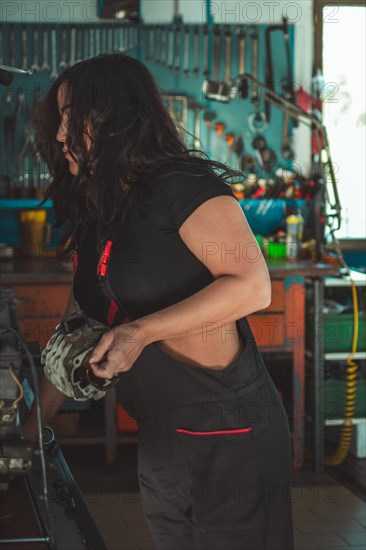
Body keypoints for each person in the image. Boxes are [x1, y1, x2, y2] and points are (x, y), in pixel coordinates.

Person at [26, 53, 294, 550]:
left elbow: (253, 285)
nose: (60, 136)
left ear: (115, 116)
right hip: (161, 432)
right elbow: (77, 324)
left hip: (228, 430)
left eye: (71, 116)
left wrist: (141, 331)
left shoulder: (184, 187)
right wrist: (30, 430)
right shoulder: (102, 205)